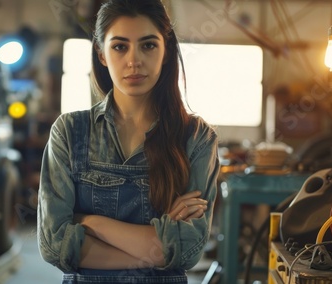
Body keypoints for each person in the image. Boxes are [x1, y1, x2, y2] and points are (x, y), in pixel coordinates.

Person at [37, 0, 220, 283]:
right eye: (120, 46)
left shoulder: (196, 138)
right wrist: (158, 252)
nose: (134, 60)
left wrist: (89, 222)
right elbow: (55, 246)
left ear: (166, 51)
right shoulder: (69, 132)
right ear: (101, 53)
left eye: (148, 45)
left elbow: (186, 251)